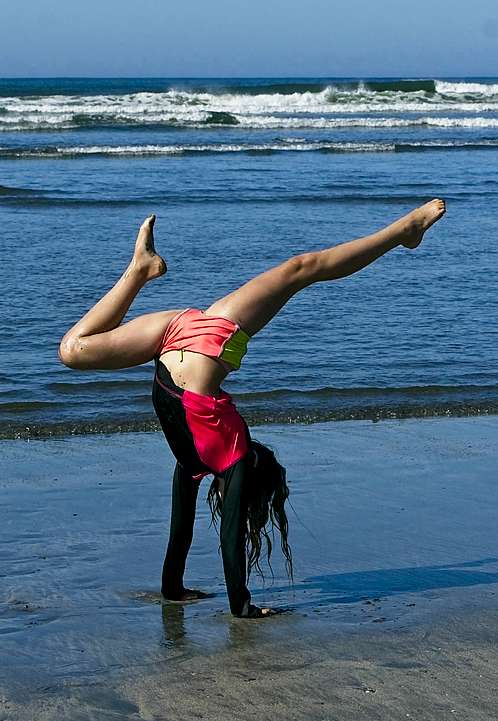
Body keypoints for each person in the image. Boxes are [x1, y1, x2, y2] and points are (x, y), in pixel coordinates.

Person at [59, 199, 446, 617]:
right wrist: (241, 606)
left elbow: (181, 529)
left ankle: (139, 270)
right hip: (206, 342)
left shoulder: (192, 461)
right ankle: (402, 232)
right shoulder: (233, 455)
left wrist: (172, 589)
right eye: (240, 499)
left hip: (175, 336)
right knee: (303, 269)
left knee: (72, 351)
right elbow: (230, 536)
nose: (230, 503)